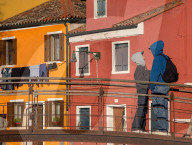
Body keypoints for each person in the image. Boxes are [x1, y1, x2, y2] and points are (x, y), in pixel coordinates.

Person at [149, 40, 170, 135]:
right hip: (166, 86)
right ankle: (165, 129)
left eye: (151, 50)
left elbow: (154, 74)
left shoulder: (157, 59)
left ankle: (162, 129)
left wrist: (151, 86)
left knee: (158, 108)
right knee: (164, 107)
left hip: (158, 87)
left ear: (155, 49)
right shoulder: (166, 58)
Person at [131, 51, 150, 133]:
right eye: (142, 56)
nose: (144, 57)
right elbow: (142, 80)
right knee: (141, 107)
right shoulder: (139, 68)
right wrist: (149, 74)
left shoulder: (142, 68)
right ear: (139, 58)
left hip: (144, 90)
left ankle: (141, 127)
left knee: (144, 109)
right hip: (142, 90)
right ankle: (136, 127)